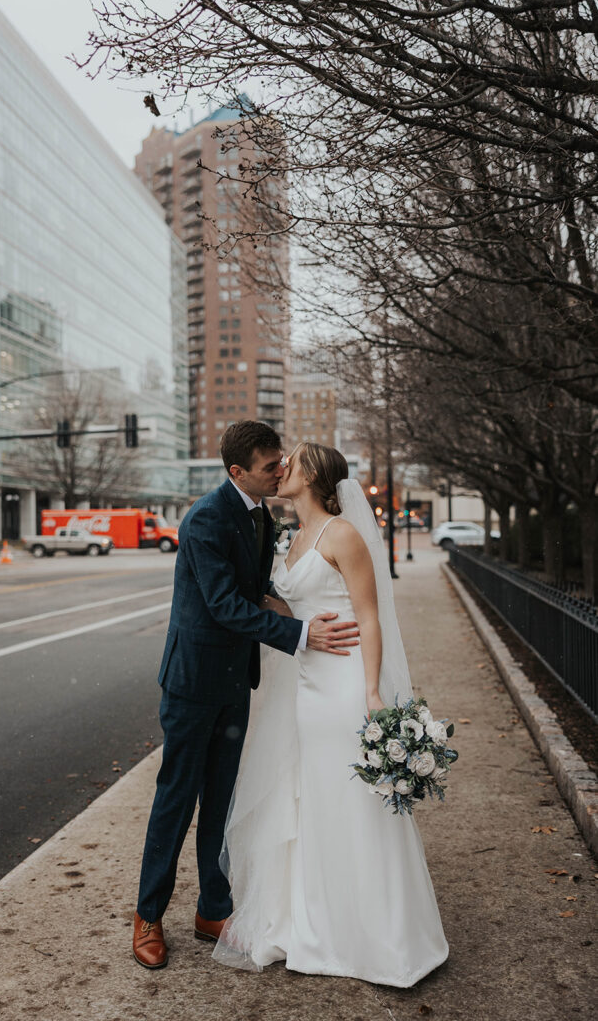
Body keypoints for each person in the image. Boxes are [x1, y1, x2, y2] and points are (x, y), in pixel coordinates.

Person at [213, 441, 449, 987]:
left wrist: (371, 693)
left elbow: (370, 618)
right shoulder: (292, 539)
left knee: (353, 804)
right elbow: (290, 606)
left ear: (317, 474)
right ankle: (315, 922)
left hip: (342, 684)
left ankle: (379, 935)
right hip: (303, 685)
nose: (284, 464)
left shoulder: (343, 534)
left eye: (293, 458)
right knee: (313, 801)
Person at [133, 422, 360, 969]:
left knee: (222, 800)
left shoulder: (261, 515)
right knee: (176, 799)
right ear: (238, 472)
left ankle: (213, 908)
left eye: (282, 462)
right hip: (192, 684)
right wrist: (303, 635)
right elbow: (224, 605)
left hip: (236, 682)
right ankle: (147, 917)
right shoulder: (206, 518)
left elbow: (259, 590)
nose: (280, 471)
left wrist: (295, 606)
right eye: (269, 466)